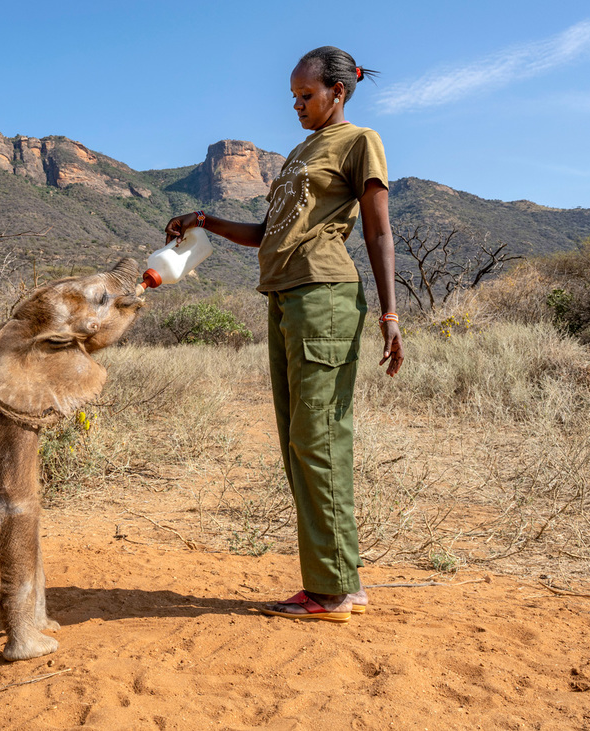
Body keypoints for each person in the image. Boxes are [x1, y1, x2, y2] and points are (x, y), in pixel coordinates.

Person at [165, 46, 403, 622]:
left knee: (318, 439)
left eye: (307, 96)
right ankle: (336, 579)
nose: (297, 105)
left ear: (338, 92)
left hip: (322, 297)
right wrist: (203, 221)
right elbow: (268, 233)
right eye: (293, 97)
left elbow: (378, 232)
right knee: (299, 443)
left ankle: (332, 591)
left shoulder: (358, 141)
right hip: (282, 297)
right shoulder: (300, 153)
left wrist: (390, 315)